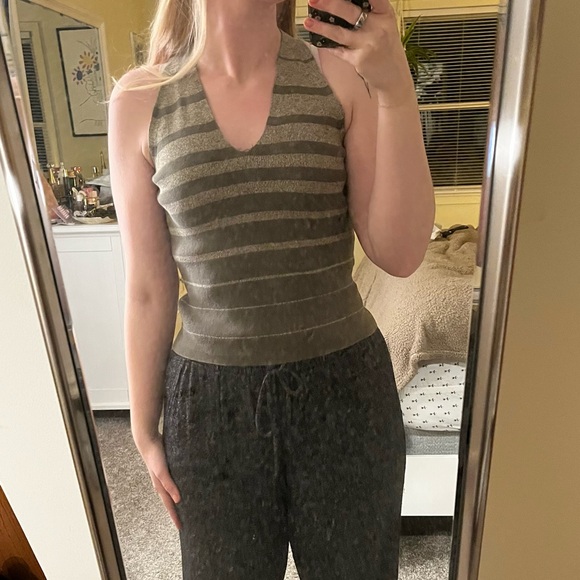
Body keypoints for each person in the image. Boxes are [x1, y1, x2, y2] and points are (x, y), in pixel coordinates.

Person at [108, 0, 434, 578]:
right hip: (209, 411)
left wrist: (395, 90)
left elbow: (401, 253)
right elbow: (148, 288)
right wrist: (143, 426)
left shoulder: (339, 79)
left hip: (347, 397)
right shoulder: (141, 99)